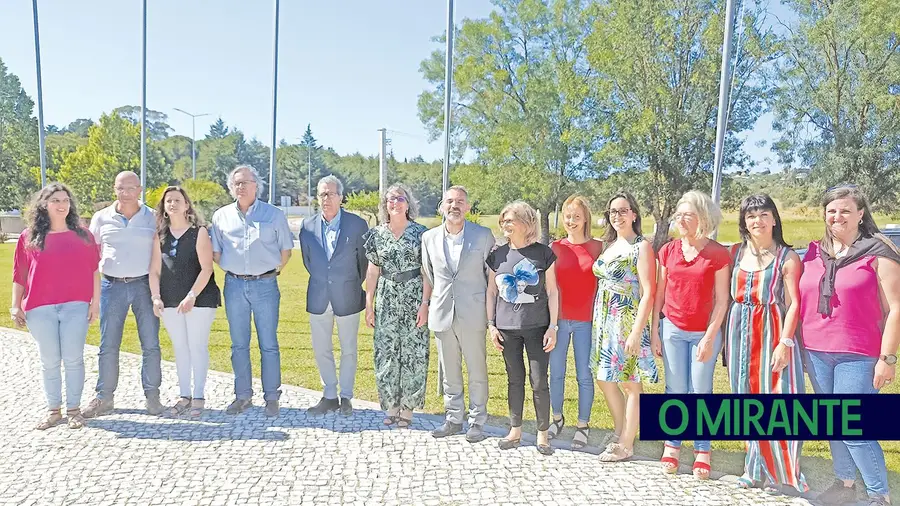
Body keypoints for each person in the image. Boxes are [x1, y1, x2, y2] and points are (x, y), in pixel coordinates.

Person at [798, 184, 900, 506]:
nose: (837, 216)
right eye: (831, 210)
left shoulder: (878, 252)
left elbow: (896, 307)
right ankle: (844, 484)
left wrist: (888, 358)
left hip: (859, 354)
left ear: (860, 213)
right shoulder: (815, 252)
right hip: (815, 351)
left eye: (845, 210)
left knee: (852, 427)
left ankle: (878, 495)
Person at [724, 194, 807, 494]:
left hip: (771, 328)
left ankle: (784, 472)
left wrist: (785, 342)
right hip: (738, 330)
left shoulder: (787, 257)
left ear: (774, 218)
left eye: (762, 214)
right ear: (744, 222)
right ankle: (753, 466)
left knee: (777, 398)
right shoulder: (735, 253)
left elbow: (794, 303)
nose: (756, 221)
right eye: (750, 216)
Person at [651, 190, 730, 479]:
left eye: (689, 215)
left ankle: (702, 451)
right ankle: (671, 445)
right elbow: (659, 294)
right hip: (671, 328)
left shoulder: (718, 254)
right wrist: (655, 331)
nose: (682, 220)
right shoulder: (668, 251)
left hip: (704, 333)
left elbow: (722, 300)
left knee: (700, 392)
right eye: (679, 214)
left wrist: (710, 337)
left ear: (703, 218)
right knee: (675, 390)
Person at [11, 183, 100, 430]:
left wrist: (95, 304)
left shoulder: (84, 235)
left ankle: (74, 410)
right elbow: (20, 274)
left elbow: (94, 271)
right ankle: (53, 411)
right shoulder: (28, 237)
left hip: (76, 306)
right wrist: (15, 306)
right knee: (49, 360)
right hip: (39, 308)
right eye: (56, 201)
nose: (62, 205)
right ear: (44, 205)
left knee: (73, 358)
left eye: (65, 200)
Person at [210, 165, 294, 417]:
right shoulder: (221, 216)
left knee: (268, 343)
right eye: (237, 183)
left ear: (257, 185)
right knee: (238, 344)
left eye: (246, 182)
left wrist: (271, 270)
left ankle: (271, 396)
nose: (241, 187)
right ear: (231, 187)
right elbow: (216, 252)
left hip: (266, 285)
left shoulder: (274, 214)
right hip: (234, 285)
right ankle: (242, 395)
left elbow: (286, 250)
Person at [83, 171, 163, 418]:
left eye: (130, 188)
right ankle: (104, 397)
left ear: (140, 190)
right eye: (120, 188)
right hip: (111, 286)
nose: (125, 193)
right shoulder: (101, 218)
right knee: (108, 345)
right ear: (114, 189)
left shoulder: (153, 218)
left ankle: (153, 397)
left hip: (143, 286)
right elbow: (91, 257)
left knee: (150, 344)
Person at [422, 186, 496, 442]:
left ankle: (477, 421)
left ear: (467, 207)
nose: (454, 206)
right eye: (450, 201)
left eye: (460, 202)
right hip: (442, 312)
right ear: (442, 206)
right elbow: (429, 273)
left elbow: (491, 277)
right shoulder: (429, 238)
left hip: (472, 312)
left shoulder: (484, 236)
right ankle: (453, 417)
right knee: (449, 370)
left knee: (477, 370)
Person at [486, 200, 559, 456]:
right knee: (514, 380)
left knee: (539, 382)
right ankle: (515, 430)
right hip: (507, 328)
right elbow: (491, 292)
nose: (506, 224)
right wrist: (491, 325)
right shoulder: (497, 254)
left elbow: (552, 291)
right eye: (503, 220)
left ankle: (542, 434)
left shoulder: (544, 253)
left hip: (538, 327)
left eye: (511, 219)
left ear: (526, 223)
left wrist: (553, 326)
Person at [592, 191, 658, 462]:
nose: (617, 216)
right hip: (604, 320)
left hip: (626, 319)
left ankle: (627, 444)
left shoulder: (641, 246)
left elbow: (648, 292)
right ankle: (621, 430)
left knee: (630, 382)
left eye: (622, 211)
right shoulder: (610, 245)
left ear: (634, 214)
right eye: (612, 212)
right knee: (603, 378)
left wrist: (636, 330)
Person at [299, 175, 369, 416]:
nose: (325, 199)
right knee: (321, 348)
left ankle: (346, 396)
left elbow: (363, 264)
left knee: (348, 348)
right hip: (318, 297)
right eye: (321, 194)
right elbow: (309, 263)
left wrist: (349, 283)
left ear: (341, 197)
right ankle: (329, 395)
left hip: (347, 295)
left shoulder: (357, 225)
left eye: (330, 194)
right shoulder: (307, 227)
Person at [148, 186, 221, 418]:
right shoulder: (159, 235)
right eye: (168, 201)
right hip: (169, 300)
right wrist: (156, 297)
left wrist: (192, 296)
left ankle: (199, 397)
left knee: (197, 346)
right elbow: (154, 270)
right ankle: (184, 395)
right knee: (180, 348)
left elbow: (207, 268)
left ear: (187, 205)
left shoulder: (199, 232)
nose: (173, 204)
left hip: (199, 300)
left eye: (177, 200)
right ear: (164, 207)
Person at [363, 183, 431, 428]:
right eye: (390, 199)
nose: (395, 203)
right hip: (386, 298)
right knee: (387, 353)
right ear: (385, 205)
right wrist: (369, 305)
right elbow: (372, 272)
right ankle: (391, 406)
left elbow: (427, 273)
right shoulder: (377, 235)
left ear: (408, 203)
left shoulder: (422, 234)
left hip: (414, 296)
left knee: (413, 353)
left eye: (400, 199)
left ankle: (408, 409)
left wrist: (425, 304)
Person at [547, 195, 603, 449]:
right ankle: (557, 418)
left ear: (585, 219)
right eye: (568, 216)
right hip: (558, 320)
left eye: (576, 217)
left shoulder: (598, 248)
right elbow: (549, 288)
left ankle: (583, 425)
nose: (571, 221)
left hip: (586, 322)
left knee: (584, 376)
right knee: (556, 373)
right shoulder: (555, 248)